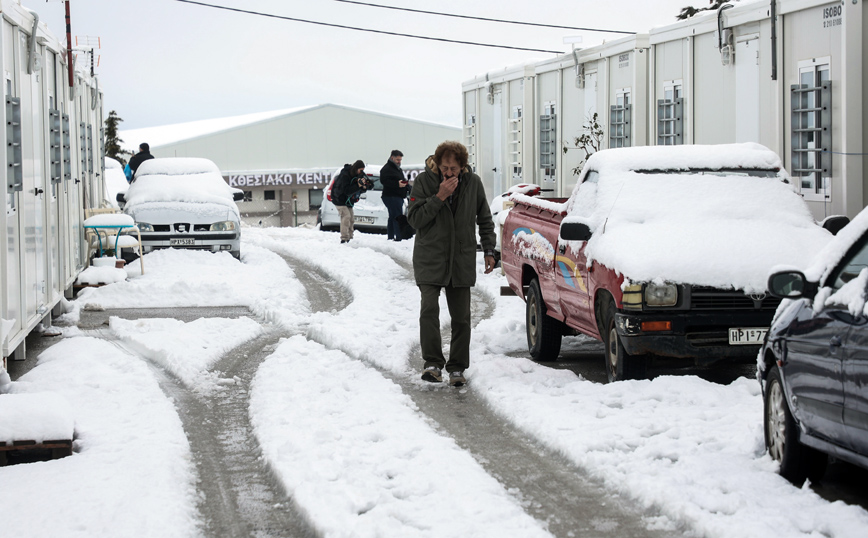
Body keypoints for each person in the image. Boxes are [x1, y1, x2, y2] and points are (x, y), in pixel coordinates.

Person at [407, 141, 496, 387]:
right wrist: (439, 196)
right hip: (430, 258)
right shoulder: (424, 182)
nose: (448, 173)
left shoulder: (473, 183)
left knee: (461, 318)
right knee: (429, 311)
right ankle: (433, 364)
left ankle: (457, 367)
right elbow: (414, 219)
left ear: (463, 167)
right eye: (444, 167)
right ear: (437, 163)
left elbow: (485, 219)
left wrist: (489, 249)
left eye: (453, 169)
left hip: (461, 258)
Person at [331, 160, 369, 244]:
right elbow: (347, 191)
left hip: (348, 200)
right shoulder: (345, 175)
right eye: (360, 170)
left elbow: (363, 186)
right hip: (339, 199)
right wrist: (357, 186)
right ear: (356, 168)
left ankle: (350, 238)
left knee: (351, 218)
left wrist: (364, 186)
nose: (361, 172)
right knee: (346, 216)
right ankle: (344, 238)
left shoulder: (357, 175)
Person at [379, 149, 409, 241]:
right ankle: (398, 237)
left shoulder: (396, 168)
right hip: (391, 196)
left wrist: (406, 186)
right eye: (398, 160)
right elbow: (384, 181)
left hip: (396, 196)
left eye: (400, 160)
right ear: (392, 158)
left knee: (392, 217)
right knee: (397, 217)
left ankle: (391, 236)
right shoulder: (387, 168)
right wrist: (397, 184)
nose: (399, 162)